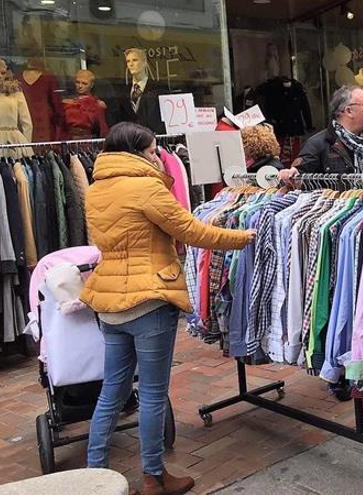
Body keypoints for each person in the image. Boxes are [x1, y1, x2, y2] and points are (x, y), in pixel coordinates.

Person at [80, 122, 255, 495]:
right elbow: (191, 231)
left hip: (109, 301)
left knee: (113, 389)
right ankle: (153, 477)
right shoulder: (145, 187)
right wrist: (245, 237)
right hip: (149, 299)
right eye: (152, 149)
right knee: (153, 393)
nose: (156, 155)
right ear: (137, 151)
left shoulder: (96, 188)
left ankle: (93, 474)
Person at [278, 85, 363, 181]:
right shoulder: (318, 144)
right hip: (338, 201)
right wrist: (291, 174)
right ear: (349, 111)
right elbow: (299, 174)